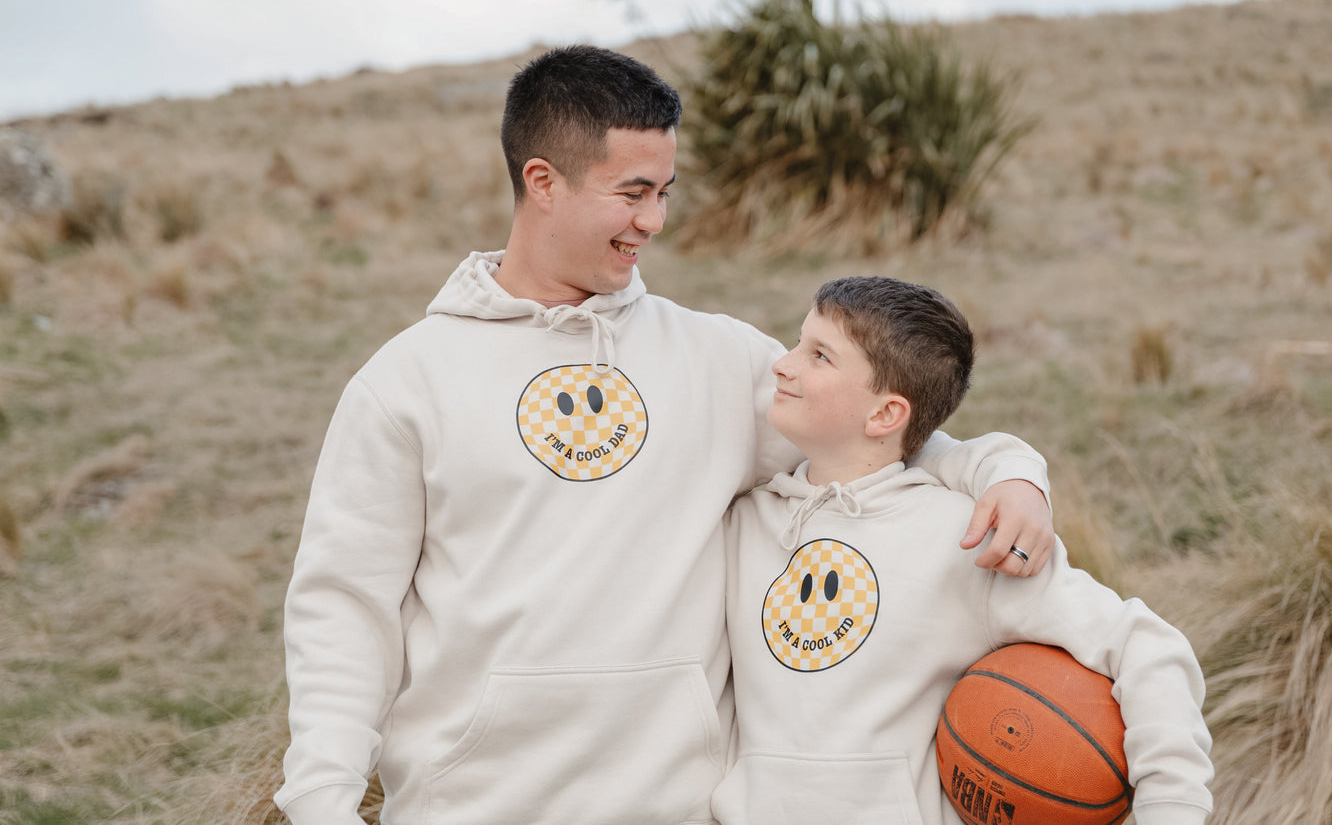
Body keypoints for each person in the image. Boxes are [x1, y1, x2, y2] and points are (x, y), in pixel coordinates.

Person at [276, 46, 1057, 825]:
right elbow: (345, 606)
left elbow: (881, 438)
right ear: (542, 182)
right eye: (632, 192)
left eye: (664, 192)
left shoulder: (716, 358)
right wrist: (321, 799)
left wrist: (1010, 472)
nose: (653, 220)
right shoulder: (406, 380)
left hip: (678, 805)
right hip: (471, 804)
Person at [714, 276, 1213, 825]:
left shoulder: (967, 538)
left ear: (885, 415)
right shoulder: (741, 522)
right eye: (797, 342)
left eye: (819, 356)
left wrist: (1173, 809)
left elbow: (1145, 646)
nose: (782, 364)